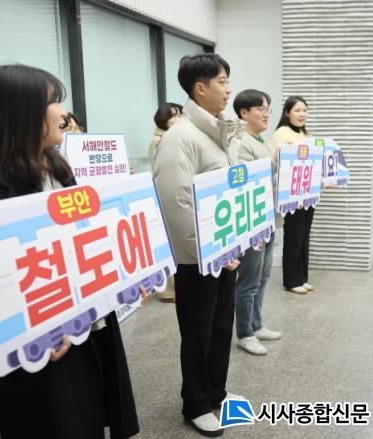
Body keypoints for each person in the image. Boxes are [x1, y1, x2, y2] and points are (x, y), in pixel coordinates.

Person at [0, 64, 145, 439]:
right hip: (35, 353)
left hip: (85, 326)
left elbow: (82, 238)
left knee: (89, 414)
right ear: (22, 112)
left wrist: (128, 275)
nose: (64, 113)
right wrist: (27, 339)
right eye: (53, 102)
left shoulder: (56, 166)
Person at [153, 53, 245, 437]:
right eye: (222, 81)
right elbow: (176, 206)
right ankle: (196, 403)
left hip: (224, 253)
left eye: (227, 80)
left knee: (221, 326)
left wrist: (235, 244)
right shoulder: (181, 138)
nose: (228, 89)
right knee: (197, 333)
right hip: (197, 259)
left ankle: (216, 392)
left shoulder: (219, 132)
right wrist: (210, 254)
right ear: (199, 88)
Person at [231, 89, 282, 356]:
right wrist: (274, 162)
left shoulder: (263, 140)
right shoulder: (241, 143)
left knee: (263, 276)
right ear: (244, 112)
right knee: (249, 280)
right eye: (261, 109)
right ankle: (245, 333)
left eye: (268, 109)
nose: (266, 114)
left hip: (268, 218)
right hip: (252, 222)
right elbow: (244, 179)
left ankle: (257, 324)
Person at [271, 96, 315, 295]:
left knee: (304, 237)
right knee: (294, 237)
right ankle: (291, 280)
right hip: (292, 195)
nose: (302, 114)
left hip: (308, 193)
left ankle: (302, 277)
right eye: (297, 110)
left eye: (304, 110)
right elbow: (279, 164)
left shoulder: (307, 134)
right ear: (287, 113)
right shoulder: (282, 133)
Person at [148, 102, 182, 303]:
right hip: (164, 196)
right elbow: (158, 171)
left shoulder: (172, 138)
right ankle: (168, 291)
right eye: (173, 115)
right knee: (168, 245)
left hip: (173, 195)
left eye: (179, 115)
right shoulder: (158, 141)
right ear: (163, 119)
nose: (178, 119)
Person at [148, 102, 182, 169]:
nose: (179, 119)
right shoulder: (157, 141)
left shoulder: (179, 137)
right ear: (164, 118)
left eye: (180, 116)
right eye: (174, 116)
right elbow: (156, 169)